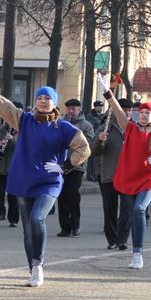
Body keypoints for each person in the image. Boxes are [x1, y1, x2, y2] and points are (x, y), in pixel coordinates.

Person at [0, 69, 89, 287]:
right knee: (28, 230)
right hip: (24, 179)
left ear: (54, 102)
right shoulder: (25, 120)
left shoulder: (64, 127)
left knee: (37, 218)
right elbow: (5, 107)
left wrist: (65, 166)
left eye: (47, 98)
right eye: (39, 98)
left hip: (49, 181)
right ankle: (33, 268)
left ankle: (39, 263)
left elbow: (83, 148)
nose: (42, 101)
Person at [97, 74, 151, 270]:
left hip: (148, 179)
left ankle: (138, 253)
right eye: (141, 113)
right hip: (128, 179)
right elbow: (118, 110)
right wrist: (107, 92)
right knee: (130, 212)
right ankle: (133, 251)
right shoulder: (130, 128)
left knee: (139, 210)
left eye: (147, 113)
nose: (143, 115)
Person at [93, 99, 132, 250]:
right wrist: (99, 140)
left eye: (129, 110)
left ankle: (122, 239)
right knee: (109, 208)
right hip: (109, 173)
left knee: (127, 209)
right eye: (124, 110)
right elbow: (95, 151)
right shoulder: (106, 127)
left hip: (128, 176)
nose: (127, 113)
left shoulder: (134, 128)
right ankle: (112, 238)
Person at [57, 99, 94, 237]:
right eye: (68, 109)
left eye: (73, 109)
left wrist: (77, 135)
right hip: (61, 164)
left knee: (73, 194)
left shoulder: (86, 125)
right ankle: (64, 227)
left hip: (77, 165)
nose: (70, 111)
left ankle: (75, 225)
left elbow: (89, 143)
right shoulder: (61, 123)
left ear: (79, 110)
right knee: (62, 195)